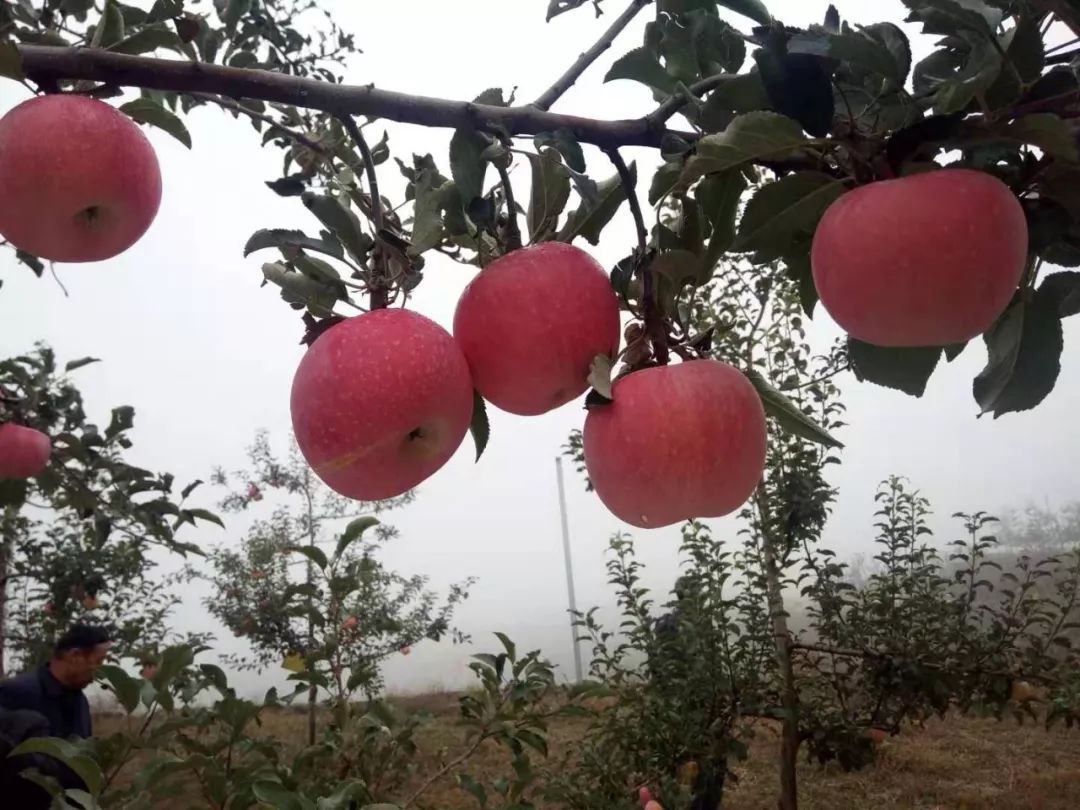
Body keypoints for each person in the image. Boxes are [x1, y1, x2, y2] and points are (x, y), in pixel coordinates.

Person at [0, 624, 113, 807]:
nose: (100, 671)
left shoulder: (81, 702)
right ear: (75, 656)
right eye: (98, 662)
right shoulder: (17, 692)